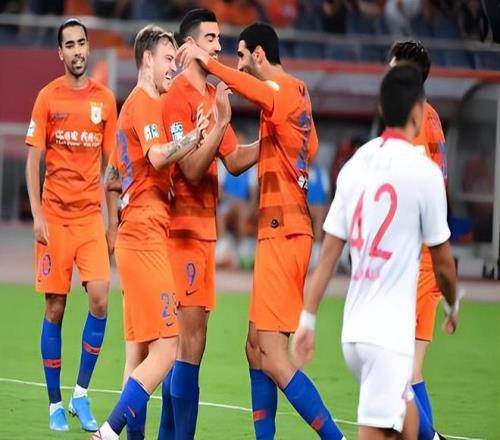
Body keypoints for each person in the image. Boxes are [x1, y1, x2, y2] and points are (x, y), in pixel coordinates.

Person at [177, 21, 345, 439]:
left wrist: (207, 63)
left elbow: (252, 89)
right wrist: (279, 147)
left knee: (271, 354)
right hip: (281, 232)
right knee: (254, 349)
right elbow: (311, 147)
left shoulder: (280, 88)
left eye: (240, 55)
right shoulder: (298, 93)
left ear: (258, 54)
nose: (236, 63)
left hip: (284, 232)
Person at [292, 64, 459, 440]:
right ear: (418, 112)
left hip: (354, 332)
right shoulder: (425, 173)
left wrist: (308, 319)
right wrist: (452, 305)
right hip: (388, 337)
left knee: (410, 426)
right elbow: (444, 264)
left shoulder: (355, 165)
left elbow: (329, 253)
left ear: (381, 108)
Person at [90, 24, 211, 440]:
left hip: (134, 234)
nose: (173, 68)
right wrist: (193, 138)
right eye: (168, 59)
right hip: (145, 236)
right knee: (167, 347)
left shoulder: (135, 106)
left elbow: (111, 176)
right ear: (147, 59)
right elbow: (157, 157)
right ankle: (107, 433)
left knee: (137, 353)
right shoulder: (143, 103)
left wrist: (114, 223)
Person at [157, 9, 259, 440]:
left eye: (219, 38)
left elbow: (232, 161)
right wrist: (221, 122)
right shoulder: (176, 96)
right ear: (190, 44)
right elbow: (193, 169)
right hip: (181, 232)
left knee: (189, 345)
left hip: (203, 233)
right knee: (188, 344)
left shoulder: (212, 95)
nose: (219, 46)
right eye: (211, 38)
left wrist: (274, 139)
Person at [25, 17, 117, 433]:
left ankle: (81, 392)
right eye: (70, 45)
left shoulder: (106, 100)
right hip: (55, 220)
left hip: (89, 219)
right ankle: (54, 403)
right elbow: (33, 161)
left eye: (82, 43)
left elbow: (112, 169)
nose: (78, 51)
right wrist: (37, 214)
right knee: (55, 307)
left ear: (88, 48)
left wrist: (113, 223)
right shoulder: (47, 98)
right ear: (60, 53)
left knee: (100, 299)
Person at [390, 40, 449, 438]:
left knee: (396, 370)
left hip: (414, 257)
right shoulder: (433, 117)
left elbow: (410, 188)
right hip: (430, 254)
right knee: (412, 371)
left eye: (393, 66)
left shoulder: (411, 121)